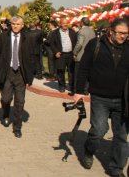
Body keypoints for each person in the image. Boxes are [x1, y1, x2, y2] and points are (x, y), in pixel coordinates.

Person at [73, 18, 129, 177]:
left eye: (126, 34)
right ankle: (89, 150)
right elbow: (83, 68)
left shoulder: (128, 48)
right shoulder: (95, 45)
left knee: (121, 137)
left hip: (123, 100)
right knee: (98, 130)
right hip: (100, 97)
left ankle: (116, 169)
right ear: (111, 31)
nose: (123, 37)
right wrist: (79, 91)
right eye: (120, 33)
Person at [0, 15, 34, 138]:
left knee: (20, 102)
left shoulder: (28, 38)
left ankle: (17, 127)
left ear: (22, 25)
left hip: (21, 74)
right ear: (11, 24)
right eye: (13, 24)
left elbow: (32, 57)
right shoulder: (3, 37)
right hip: (7, 72)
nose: (15, 26)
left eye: (18, 24)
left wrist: (30, 76)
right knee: (6, 99)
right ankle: (6, 113)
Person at [49, 18, 77, 93]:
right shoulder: (55, 32)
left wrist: (75, 52)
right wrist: (56, 52)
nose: (65, 24)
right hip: (61, 54)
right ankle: (62, 86)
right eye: (64, 23)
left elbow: (75, 42)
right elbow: (51, 43)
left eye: (67, 23)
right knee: (60, 71)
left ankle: (71, 86)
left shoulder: (72, 31)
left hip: (71, 54)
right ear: (60, 24)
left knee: (71, 71)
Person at [72, 17, 96, 94]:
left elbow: (80, 44)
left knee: (77, 74)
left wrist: (74, 52)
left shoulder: (81, 31)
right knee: (88, 74)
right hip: (90, 55)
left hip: (81, 55)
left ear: (82, 23)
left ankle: (76, 90)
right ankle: (86, 89)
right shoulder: (92, 31)